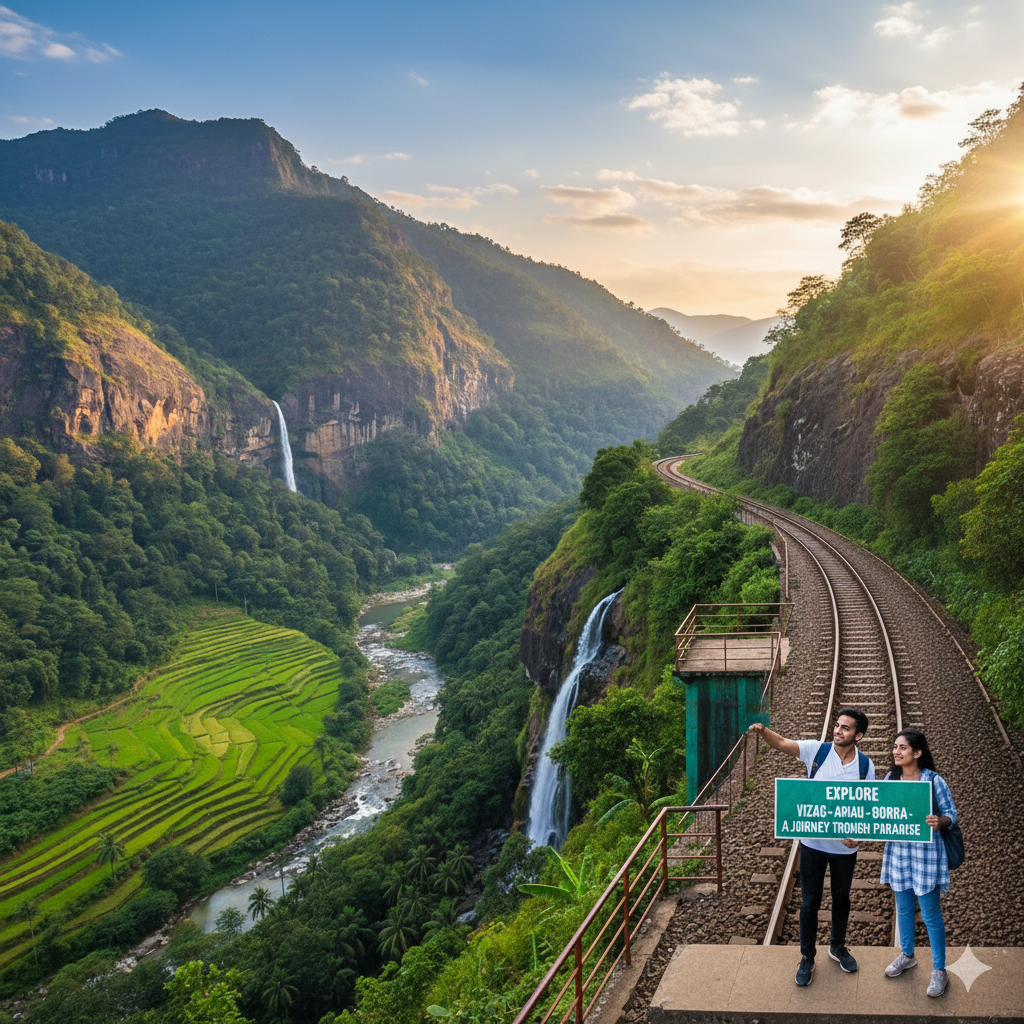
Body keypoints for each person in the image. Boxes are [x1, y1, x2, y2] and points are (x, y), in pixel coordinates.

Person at [749, 708, 875, 986]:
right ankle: (807, 956)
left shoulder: (866, 766)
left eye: (845, 728)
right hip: (813, 845)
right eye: (837, 725)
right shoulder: (817, 751)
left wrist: (859, 836)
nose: (838, 731)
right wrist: (763, 731)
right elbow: (783, 744)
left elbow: (868, 808)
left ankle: (838, 947)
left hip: (845, 849)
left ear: (859, 735)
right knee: (809, 903)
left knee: (841, 899)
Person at [880, 729, 957, 998]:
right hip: (899, 854)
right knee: (903, 909)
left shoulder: (934, 781)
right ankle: (908, 955)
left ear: (917, 753)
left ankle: (939, 970)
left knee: (930, 915)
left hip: (926, 855)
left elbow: (951, 815)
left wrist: (940, 821)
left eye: (902, 747)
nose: (896, 751)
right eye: (895, 747)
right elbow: (878, 813)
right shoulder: (891, 779)